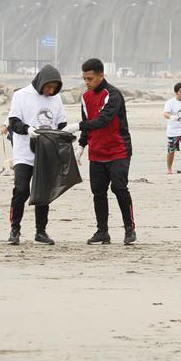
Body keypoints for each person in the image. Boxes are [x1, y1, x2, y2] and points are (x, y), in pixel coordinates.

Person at [64, 58, 136, 246]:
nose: (87, 82)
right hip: (96, 152)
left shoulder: (112, 95)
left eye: (90, 78)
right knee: (98, 192)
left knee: (119, 188)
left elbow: (103, 120)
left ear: (101, 75)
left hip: (118, 150)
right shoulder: (86, 97)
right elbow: (88, 123)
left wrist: (75, 126)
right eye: (84, 79)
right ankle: (102, 231)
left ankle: (130, 229)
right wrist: (81, 146)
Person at [5, 64, 68, 245]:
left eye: (55, 88)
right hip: (24, 153)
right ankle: (14, 230)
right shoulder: (21, 96)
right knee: (21, 190)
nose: (51, 91)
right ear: (41, 82)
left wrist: (66, 135)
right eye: (49, 87)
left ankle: (41, 232)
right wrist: (28, 129)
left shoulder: (56, 100)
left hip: (46, 154)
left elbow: (61, 124)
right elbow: (13, 122)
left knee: (42, 194)